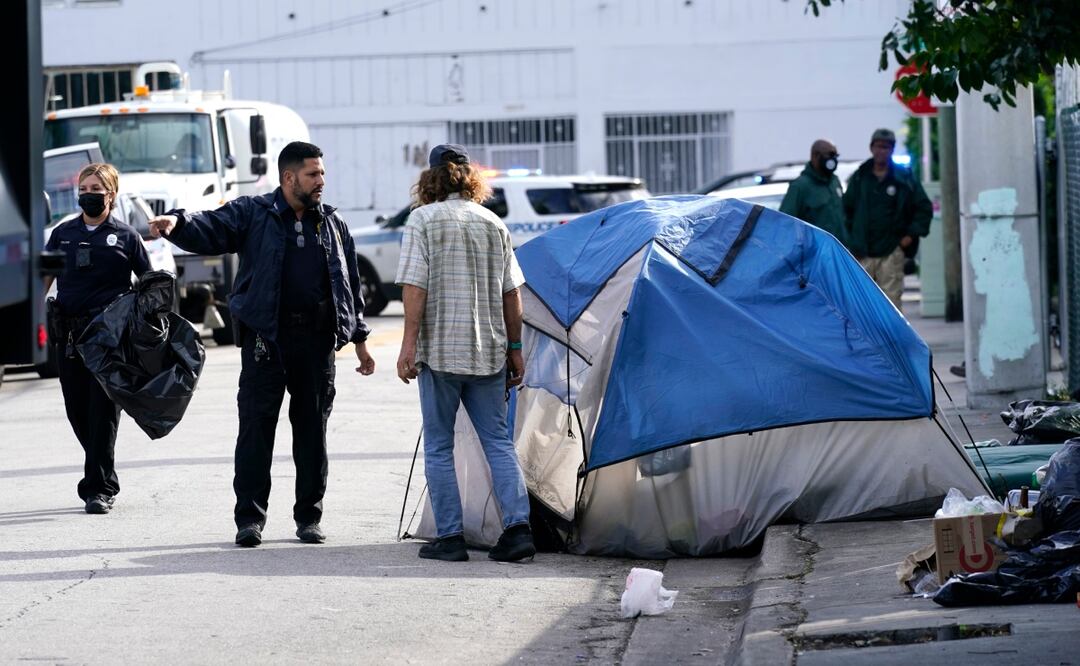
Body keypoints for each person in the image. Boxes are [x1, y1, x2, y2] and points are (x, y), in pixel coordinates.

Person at [148, 141, 375, 547]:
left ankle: (309, 518)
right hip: (266, 340)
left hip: (316, 342)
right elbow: (211, 226)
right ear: (289, 178)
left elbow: (349, 282)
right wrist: (177, 223)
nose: (321, 181)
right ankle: (249, 520)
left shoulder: (333, 223)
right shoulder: (254, 213)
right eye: (312, 174)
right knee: (256, 429)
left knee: (312, 431)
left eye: (322, 173)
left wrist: (358, 337)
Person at [396, 143, 535, 563]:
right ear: (471, 178)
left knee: (439, 446)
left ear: (431, 179)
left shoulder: (422, 220)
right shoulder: (493, 223)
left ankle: (451, 538)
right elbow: (512, 295)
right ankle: (518, 530)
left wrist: (408, 345)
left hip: (440, 351)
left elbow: (415, 286)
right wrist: (515, 349)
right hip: (489, 351)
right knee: (498, 441)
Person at [44, 163, 152, 514]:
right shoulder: (62, 234)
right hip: (70, 336)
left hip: (109, 339)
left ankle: (99, 489)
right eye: (84, 189)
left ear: (111, 195)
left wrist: (147, 327)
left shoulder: (126, 237)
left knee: (103, 411)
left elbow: (149, 282)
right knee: (77, 410)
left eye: (96, 189)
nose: (88, 195)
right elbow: (42, 279)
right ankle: (101, 473)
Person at [843, 128, 933, 310]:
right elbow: (845, 211)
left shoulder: (904, 178)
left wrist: (910, 236)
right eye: (878, 146)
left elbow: (923, 208)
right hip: (863, 252)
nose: (881, 151)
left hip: (891, 251)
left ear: (892, 150)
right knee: (862, 305)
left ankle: (891, 331)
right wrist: (851, 242)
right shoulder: (860, 177)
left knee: (891, 304)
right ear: (871, 148)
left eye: (886, 147)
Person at [779, 139, 848, 247]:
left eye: (835, 156)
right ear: (815, 156)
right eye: (830, 155)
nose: (833, 160)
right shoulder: (800, 187)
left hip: (838, 250)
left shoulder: (835, 182)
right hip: (815, 252)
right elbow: (785, 222)